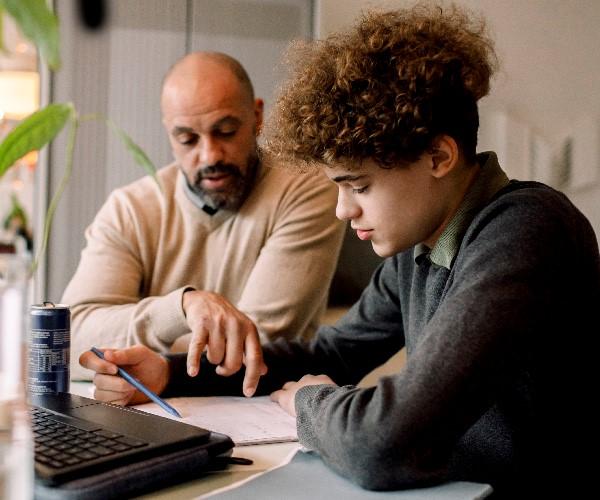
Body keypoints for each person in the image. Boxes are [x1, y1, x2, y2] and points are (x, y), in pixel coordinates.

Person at [80, 5, 600, 498]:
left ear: (439, 156)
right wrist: (168, 372)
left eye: (359, 186)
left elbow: (382, 442)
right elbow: (330, 355)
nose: (341, 210)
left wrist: (310, 403)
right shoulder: (417, 247)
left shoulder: (527, 231)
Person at [65, 51, 345, 380]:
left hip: (263, 412)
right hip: (148, 409)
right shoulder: (129, 209)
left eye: (225, 131)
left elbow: (257, 346)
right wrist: (180, 309)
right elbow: (68, 342)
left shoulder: (305, 187)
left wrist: (138, 356)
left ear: (257, 117)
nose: (210, 154)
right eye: (187, 139)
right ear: (169, 133)